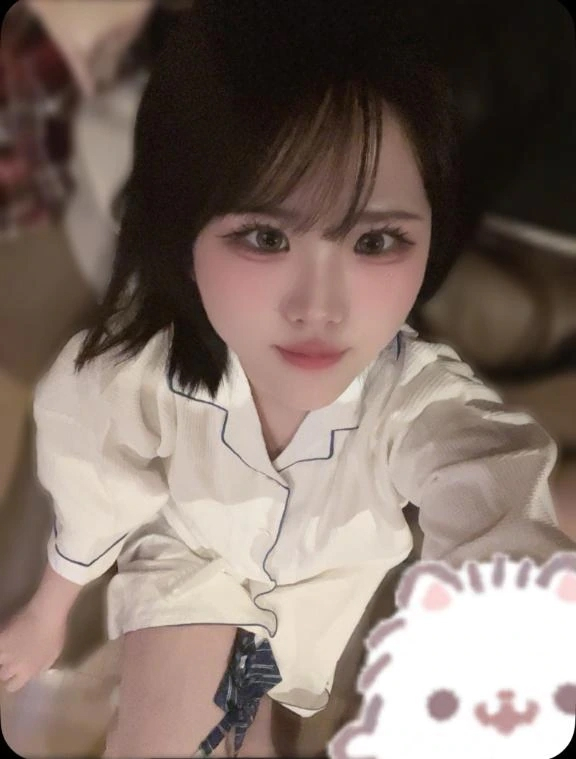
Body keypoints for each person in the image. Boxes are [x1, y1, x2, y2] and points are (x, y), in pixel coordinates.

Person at [0, 1, 574, 756]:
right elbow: (96, 476)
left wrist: (508, 630)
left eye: (377, 241)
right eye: (266, 237)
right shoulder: (134, 375)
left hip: (335, 603)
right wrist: (48, 610)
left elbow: (489, 484)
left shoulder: (417, 403)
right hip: (190, 565)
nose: (320, 308)